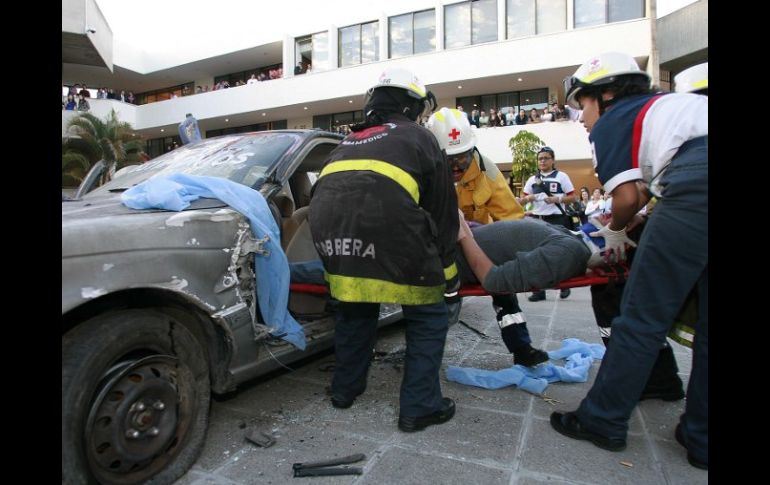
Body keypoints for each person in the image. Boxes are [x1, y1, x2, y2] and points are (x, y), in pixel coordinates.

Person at [550, 52, 707, 470]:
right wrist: (642, 215)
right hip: (693, 186)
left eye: (581, 106)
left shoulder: (620, 116)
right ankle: (701, 438)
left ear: (606, 93)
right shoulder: (679, 107)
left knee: (640, 317)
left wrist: (616, 229)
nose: (582, 119)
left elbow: (627, 196)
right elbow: (649, 194)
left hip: (696, 187)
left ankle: (601, 419)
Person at [308, 67, 458, 433]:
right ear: (411, 106)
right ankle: (420, 407)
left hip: (334, 238)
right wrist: (450, 277)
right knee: (427, 316)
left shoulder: (346, 141)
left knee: (356, 310)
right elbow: (443, 212)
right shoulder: (419, 137)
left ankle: (345, 390)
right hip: (393, 234)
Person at [426, 107, 548, 367]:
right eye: (449, 160)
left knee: (503, 291)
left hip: (477, 248)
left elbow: (512, 220)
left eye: (463, 158)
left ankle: (522, 348)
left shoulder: (488, 173)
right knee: (437, 304)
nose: (457, 167)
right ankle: (427, 356)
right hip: (435, 252)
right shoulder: (422, 173)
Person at [518, 147, 577, 301]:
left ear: (553, 160)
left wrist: (557, 199)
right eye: (540, 159)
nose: (542, 161)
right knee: (535, 254)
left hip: (556, 219)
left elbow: (573, 197)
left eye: (546, 158)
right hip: (537, 219)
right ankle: (538, 290)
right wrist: (528, 199)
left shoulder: (561, 176)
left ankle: (564, 285)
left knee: (560, 253)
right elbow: (521, 200)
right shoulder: (533, 179)